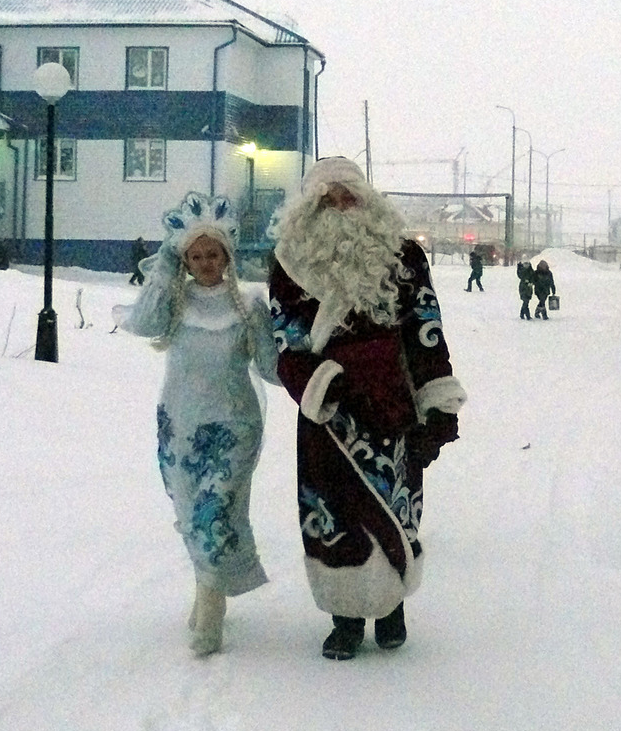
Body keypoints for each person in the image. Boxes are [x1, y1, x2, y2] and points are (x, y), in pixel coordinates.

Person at [269, 157, 467, 660]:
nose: (338, 206)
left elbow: (426, 324)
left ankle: (392, 606)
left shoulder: (402, 255)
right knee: (333, 511)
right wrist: (311, 383)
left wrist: (436, 399)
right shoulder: (290, 259)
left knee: (396, 502)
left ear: (367, 200)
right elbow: (285, 335)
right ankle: (345, 617)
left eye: (347, 196)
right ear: (308, 208)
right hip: (328, 410)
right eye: (326, 199)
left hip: (391, 400)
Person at [113, 193, 277, 656]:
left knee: (215, 513)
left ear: (228, 255)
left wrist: (315, 364)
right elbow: (142, 324)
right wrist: (163, 266)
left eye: (214, 254)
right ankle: (207, 587)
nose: (206, 263)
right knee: (190, 515)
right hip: (179, 427)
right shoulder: (174, 300)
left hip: (234, 429)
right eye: (195, 255)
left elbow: (270, 368)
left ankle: (211, 612)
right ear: (184, 258)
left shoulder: (248, 305)